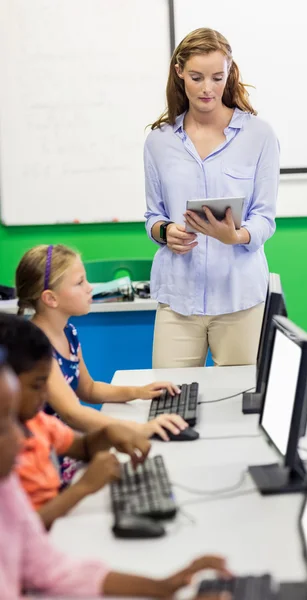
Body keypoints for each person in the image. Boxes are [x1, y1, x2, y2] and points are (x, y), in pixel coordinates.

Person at [0, 345, 232, 598]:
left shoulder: (6, 488)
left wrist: (162, 588)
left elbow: (49, 570)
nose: (22, 436)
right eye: (3, 427)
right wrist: (83, 488)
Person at [144, 27, 280, 369]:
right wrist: (165, 233)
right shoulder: (159, 142)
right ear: (179, 72)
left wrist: (236, 236)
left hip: (241, 299)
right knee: (170, 402)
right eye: (197, 77)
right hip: (178, 298)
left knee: (242, 402)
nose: (208, 88)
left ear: (229, 73)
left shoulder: (259, 136)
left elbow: (264, 217)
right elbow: (152, 217)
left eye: (218, 77)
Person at [15, 243, 187, 442]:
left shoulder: (67, 332)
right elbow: (73, 413)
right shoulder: (35, 347)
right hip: (44, 455)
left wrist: (139, 391)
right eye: (80, 283)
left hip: (64, 443)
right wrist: (139, 429)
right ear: (50, 298)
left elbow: (89, 389)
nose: (90, 288)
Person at [0, 313, 153, 529]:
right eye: (37, 385)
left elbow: (82, 447)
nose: (46, 394)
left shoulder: (38, 423)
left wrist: (109, 433)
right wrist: (82, 488)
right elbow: (21, 531)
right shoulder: (6, 453)